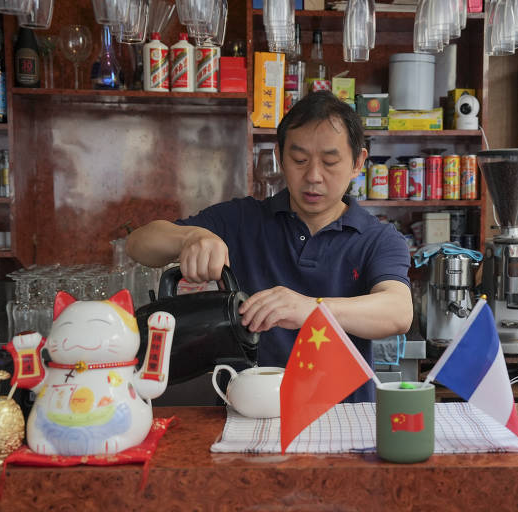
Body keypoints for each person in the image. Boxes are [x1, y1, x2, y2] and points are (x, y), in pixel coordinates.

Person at [126, 91, 413, 402]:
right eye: (299, 160)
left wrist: (310, 308)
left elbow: (398, 311)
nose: (313, 176)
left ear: (358, 162)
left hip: (342, 418)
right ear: (280, 155)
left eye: (330, 161)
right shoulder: (243, 219)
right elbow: (139, 244)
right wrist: (189, 238)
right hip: (250, 414)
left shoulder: (378, 238)